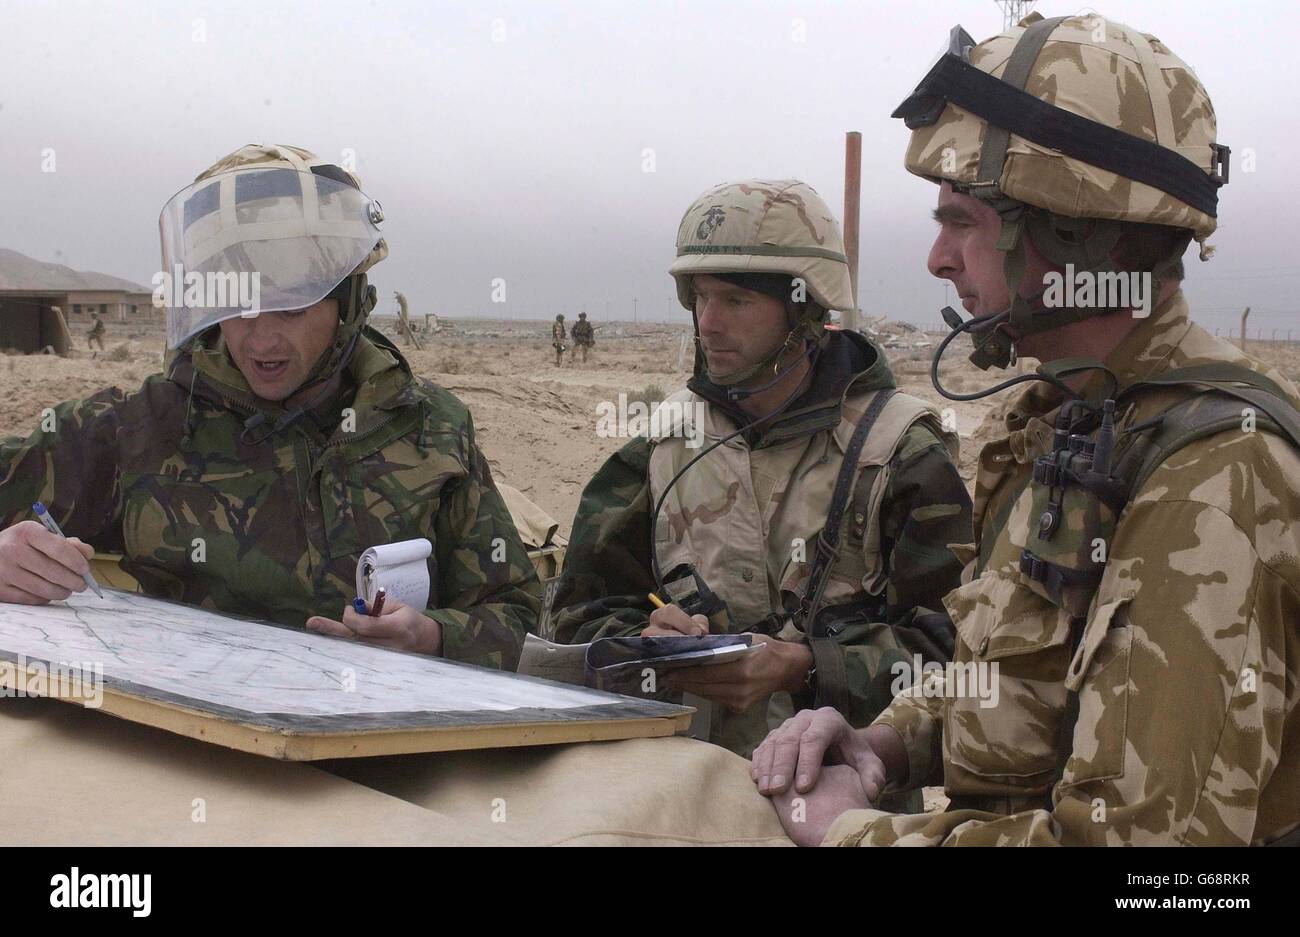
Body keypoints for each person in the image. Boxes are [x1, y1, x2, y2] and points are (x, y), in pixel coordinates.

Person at [754, 14, 1300, 846]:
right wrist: (885, 741)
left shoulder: (1216, 474)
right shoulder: (1064, 417)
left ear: (1074, 230)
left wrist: (857, 835)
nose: (938, 259)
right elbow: (1020, 678)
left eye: (963, 221)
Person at [0, 143, 540, 670]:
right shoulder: (138, 426)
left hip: (382, 750)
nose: (261, 342)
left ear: (347, 301)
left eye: (291, 308)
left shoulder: (433, 431)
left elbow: (518, 615)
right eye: (239, 308)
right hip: (179, 746)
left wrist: (433, 637)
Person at [553, 178, 971, 769]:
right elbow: (576, 618)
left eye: (736, 301)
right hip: (679, 793)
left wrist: (804, 668)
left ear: (804, 309)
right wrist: (643, 640)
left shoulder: (899, 451)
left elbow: (956, 656)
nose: (707, 323)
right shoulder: (663, 441)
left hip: (839, 807)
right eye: (700, 298)